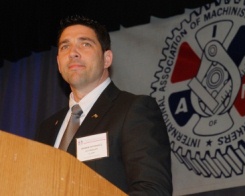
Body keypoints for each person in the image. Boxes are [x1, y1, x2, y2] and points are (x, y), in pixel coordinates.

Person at [35, 15, 173, 195]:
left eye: (85, 44)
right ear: (58, 63)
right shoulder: (46, 128)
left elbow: (153, 190)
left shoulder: (133, 109)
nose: (73, 53)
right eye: (65, 46)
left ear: (107, 58)